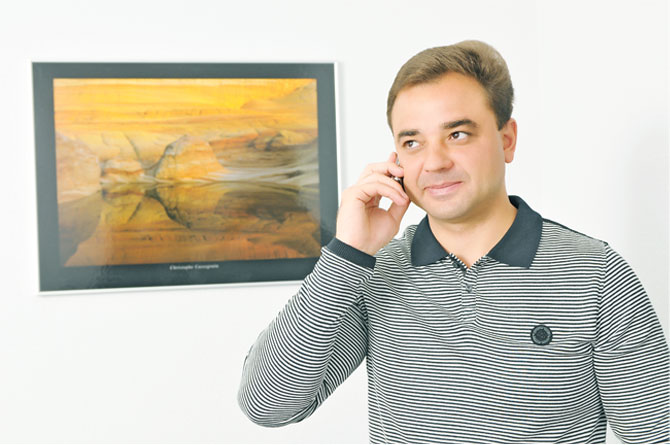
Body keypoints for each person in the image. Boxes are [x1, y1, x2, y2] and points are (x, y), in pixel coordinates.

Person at [237, 40, 669, 443]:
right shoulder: (373, 272)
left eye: (457, 134)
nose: (435, 162)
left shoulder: (594, 273)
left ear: (506, 140)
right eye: (413, 142)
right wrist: (346, 254)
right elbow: (266, 406)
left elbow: (656, 433)